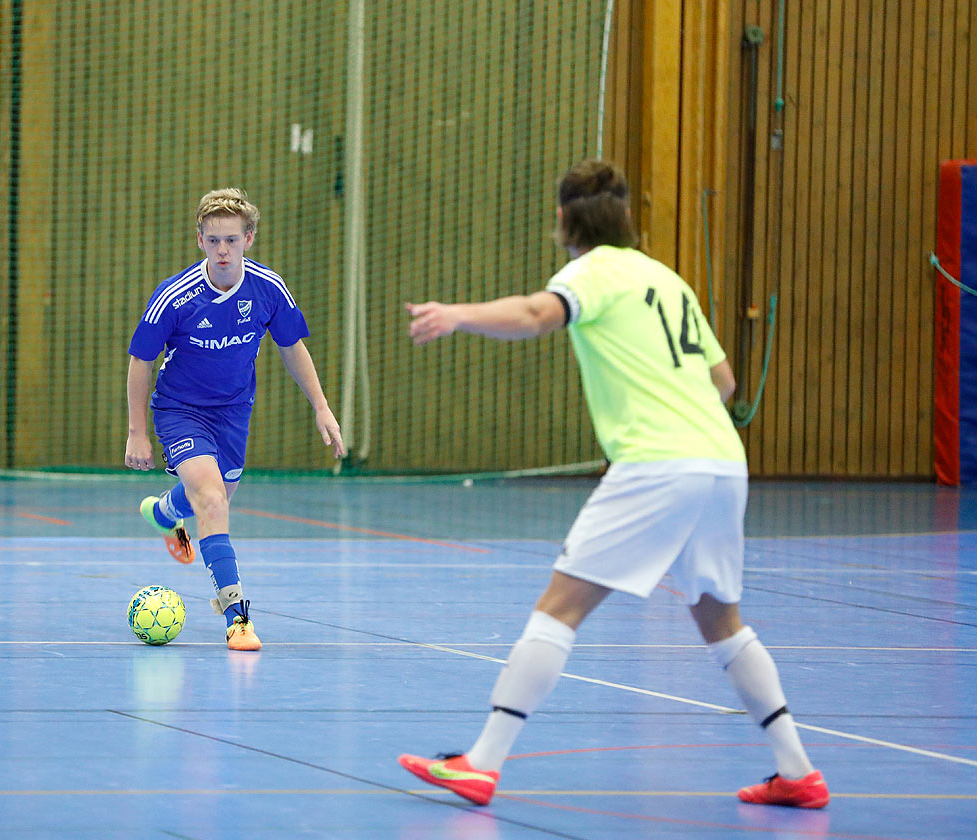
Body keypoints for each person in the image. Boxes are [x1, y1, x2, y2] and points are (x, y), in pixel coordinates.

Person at [397, 159, 828, 809]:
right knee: (722, 619)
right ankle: (797, 769)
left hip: (658, 463)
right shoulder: (666, 278)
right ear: (625, 216)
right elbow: (725, 382)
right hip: (721, 460)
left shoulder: (588, 273)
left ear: (565, 220)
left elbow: (540, 314)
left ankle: (481, 762)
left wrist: (457, 314)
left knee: (559, 607)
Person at [126, 188, 344, 651]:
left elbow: (292, 348)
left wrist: (322, 407)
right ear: (199, 240)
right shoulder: (175, 296)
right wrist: (138, 433)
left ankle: (166, 513)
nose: (222, 250)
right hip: (180, 408)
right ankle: (236, 615)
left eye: (231, 239)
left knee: (219, 494)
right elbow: (140, 361)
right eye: (212, 240)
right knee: (211, 499)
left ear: (249, 238)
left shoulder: (268, 289)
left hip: (233, 409)